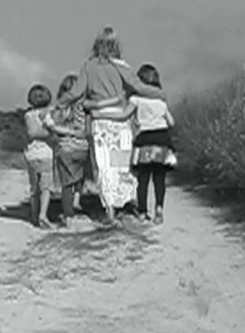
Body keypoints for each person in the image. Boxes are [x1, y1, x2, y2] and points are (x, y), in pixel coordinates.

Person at [57, 26, 166, 225]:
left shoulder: (88, 66)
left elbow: (76, 92)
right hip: (121, 121)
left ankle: (109, 211)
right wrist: (159, 95)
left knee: (104, 167)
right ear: (117, 45)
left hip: (100, 123)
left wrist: (58, 105)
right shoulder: (121, 66)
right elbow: (139, 87)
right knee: (121, 167)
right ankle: (123, 204)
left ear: (97, 44)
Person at [128, 64, 176, 224]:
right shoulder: (160, 100)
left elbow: (128, 116)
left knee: (143, 179)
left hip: (145, 140)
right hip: (162, 138)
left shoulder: (136, 99)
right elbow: (171, 122)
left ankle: (142, 212)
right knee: (159, 178)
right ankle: (159, 208)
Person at [43, 73, 90, 222]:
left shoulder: (57, 109)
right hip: (82, 148)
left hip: (65, 149)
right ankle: (77, 200)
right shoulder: (85, 107)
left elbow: (48, 124)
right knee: (79, 177)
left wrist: (64, 131)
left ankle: (68, 215)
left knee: (66, 184)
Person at [23, 83, 56, 228]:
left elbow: (30, 133)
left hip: (31, 154)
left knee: (34, 188)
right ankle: (43, 214)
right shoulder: (49, 113)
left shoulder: (28, 115)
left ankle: (34, 215)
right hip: (46, 154)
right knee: (46, 188)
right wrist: (51, 135)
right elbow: (43, 133)